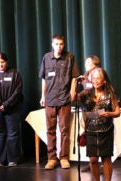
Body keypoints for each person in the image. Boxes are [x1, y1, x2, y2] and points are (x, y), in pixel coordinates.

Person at [78, 67, 120, 181]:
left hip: (105, 130)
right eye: (94, 78)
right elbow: (73, 97)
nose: (96, 81)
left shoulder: (110, 94)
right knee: (93, 159)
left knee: (106, 158)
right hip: (90, 130)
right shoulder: (87, 93)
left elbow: (117, 112)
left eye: (98, 79)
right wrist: (75, 82)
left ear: (104, 81)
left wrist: (110, 113)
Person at [39, 34, 79, 170]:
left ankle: (64, 157)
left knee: (64, 130)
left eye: (61, 44)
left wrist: (73, 92)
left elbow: (74, 77)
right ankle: (51, 158)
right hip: (50, 99)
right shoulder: (46, 58)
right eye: (56, 44)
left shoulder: (70, 57)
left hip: (64, 99)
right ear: (52, 44)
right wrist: (42, 96)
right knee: (50, 130)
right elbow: (44, 78)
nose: (59, 47)